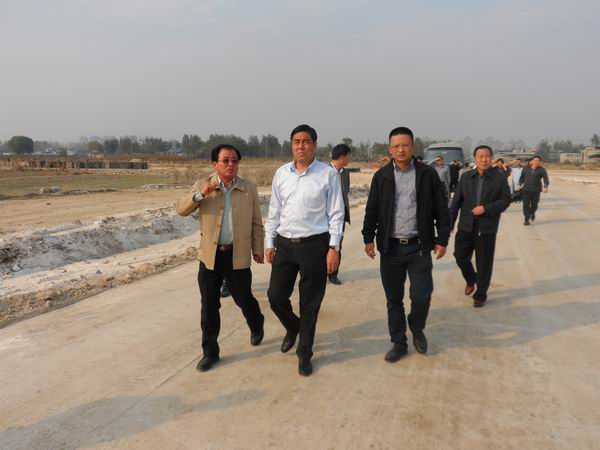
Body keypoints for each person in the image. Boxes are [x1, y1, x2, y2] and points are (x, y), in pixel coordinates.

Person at [362, 126, 450, 362]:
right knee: (394, 300)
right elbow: (372, 209)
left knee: (421, 296)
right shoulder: (381, 176)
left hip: (418, 247)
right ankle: (399, 343)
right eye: (396, 146)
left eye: (405, 145)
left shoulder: (427, 174)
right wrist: (368, 237)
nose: (400, 150)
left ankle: (416, 326)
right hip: (390, 248)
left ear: (413, 147)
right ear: (390, 149)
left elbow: (441, 208)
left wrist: (442, 239)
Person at [176, 144, 265, 372]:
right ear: (214, 164)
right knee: (209, 306)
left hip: (237, 255)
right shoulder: (203, 185)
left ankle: (256, 322)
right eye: (225, 160)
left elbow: (257, 222)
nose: (230, 165)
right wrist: (203, 193)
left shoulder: (248, 188)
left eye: (234, 160)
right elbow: (181, 209)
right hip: (210, 257)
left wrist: (258, 248)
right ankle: (210, 352)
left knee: (244, 299)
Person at [265, 124, 345, 376]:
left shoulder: (327, 174)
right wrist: (269, 241)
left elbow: (336, 213)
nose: (301, 146)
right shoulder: (281, 173)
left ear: (315, 145)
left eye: (306, 141)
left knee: (309, 303)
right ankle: (293, 327)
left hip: (315, 245)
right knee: (275, 296)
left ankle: (304, 352)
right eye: (296, 142)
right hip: (285, 244)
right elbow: (274, 211)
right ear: (292, 145)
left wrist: (334, 247)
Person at [449, 145, 511, 308]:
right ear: (475, 159)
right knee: (460, 256)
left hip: (486, 227)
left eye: (487, 156)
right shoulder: (466, 177)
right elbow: (456, 202)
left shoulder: (499, 178)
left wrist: (486, 208)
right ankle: (471, 279)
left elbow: (506, 200)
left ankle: (480, 294)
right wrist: (450, 223)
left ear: (492, 158)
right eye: (480, 156)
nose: (484, 159)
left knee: (484, 263)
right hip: (466, 226)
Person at [328, 143, 352, 285]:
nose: (350, 159)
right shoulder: (323, 170)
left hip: (340, 216)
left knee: (337, 245)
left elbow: (345, 192)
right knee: (323, 246)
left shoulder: (345, 173)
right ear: (342, 157)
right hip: (324, 217)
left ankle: (333, 274)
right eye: (349, 156)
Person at [518, 155, 549, 225]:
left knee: (535, 205)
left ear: (539, 162)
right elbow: (522, 177)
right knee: (525, 205)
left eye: (538, 161)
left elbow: (545, 178)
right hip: (526, 190)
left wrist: (545, 186)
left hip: (536, 190)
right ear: (531, 161)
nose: (536, 162)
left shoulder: (542, 170)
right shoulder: (526, 168)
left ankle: (532, 213)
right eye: (535, 160)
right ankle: (526, 219)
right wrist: (520, 184)